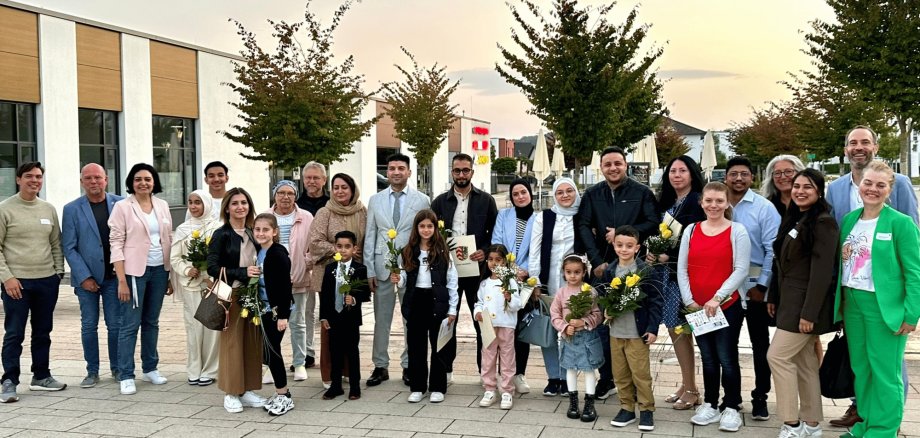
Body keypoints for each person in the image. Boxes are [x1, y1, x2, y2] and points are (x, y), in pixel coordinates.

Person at [826, 126, 918, 428]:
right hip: (852, 302)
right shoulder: (851, 219)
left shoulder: (901, 223)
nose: (872, 189)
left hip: (883, 305)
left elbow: (914, 270)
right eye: (868, 183)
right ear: (859, 186)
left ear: (890, 190)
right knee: (862, 368)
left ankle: (884, 429)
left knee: (885, 371)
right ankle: (864, 423)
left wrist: (912, 312)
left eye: (880, 185)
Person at [577, 146, 657, 399]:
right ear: (601, 167)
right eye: (608, 164)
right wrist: (597, 260)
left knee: (631, 326)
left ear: (626, 165)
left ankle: (634, 382)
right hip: (603, 270)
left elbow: (653, 223)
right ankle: (607, 378)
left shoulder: (642, 192)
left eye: (618, 163)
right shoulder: (592, 194)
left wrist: (624, 233)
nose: (613, 168)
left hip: (633, 270)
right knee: (600, 326)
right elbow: (583, 225)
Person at [766, 169, 839, 438]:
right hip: (788, 301)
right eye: (797, 186)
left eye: (807, 187)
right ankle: (811, 422)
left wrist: (809, 313)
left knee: (777, 357)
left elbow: (822, 273)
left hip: (805, 306)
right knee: (806, 361)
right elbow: (781, 262)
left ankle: (791, 423)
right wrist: (773, 295)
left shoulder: (823, 223)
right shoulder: (797, 217)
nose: (800, 191)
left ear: (819, 191)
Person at [678, 181, 750, 432]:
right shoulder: (691, 230)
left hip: (726, 305)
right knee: (707, 358)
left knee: (727, 357)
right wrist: (690, 301)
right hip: (698, 307)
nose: (714, 205)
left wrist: (718, 297)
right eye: (709, 200)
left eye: (719, 200)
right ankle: (710, 403)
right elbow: (682, 269)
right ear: (701, 202)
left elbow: (740, 269)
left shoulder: (737, 231)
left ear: (727, 202)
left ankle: (731, 406)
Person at [0, 162, 66, 403]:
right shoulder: (4, 209)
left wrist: (58, 272)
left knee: (42, 332)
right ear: (18, 180)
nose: (34, 180)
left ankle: (41, 376)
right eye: (29, 176)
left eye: (38, 177)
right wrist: (7, 278)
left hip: (46, 281)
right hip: (17, 283)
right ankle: (9, 381)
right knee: (14, 333)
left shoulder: (48, 209)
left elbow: (56, 243)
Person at [364, 153, 431, 387]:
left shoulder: (422, 200)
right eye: (391, 168)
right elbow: (370, 235)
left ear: (409, 172)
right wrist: (369, 269)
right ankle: (380, 365)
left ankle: (409, 364)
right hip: (382, 268)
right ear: (387, 172)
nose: (395, 172)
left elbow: (426, 234)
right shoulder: (375, 200)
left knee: (410, 319)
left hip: (411, 267)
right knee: (381, 319)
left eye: (401, 168)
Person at [432, 153, 498, 381]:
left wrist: (486, 250)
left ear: (472, 172)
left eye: (465, 170)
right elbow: (430, 234)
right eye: (457, 170)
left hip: (476, 271)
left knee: (482, 318)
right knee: (446, 318)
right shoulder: (439, 202)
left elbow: (495, 233)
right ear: (451, 172)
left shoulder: (486, 200)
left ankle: (485, 371)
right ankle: (445, 369)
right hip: (447, 271)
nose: (461, 174)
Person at [646, 155, 706, 410]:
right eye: (672, 171)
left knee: (679, 329)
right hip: (664, 274)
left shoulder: (697, 201)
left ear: (692, 174)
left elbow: (699, 237)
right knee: (674, 330)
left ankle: (692, 389)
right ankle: (685, 383)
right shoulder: (668, 202)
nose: (677, 175)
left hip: (682, 276)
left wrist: (667, 254)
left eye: (682, 170)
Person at [109, 163, 173, 396]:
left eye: (147, 179)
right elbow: (115, 242)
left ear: (154, 181)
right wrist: (122, 280)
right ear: (131, 183)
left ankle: (150, 367)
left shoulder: (162, 205)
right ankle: (126, 374)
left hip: (159, 270)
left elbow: (168, 237)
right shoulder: (122, 207)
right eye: (138, 179)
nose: (143, 183)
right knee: (129, 324)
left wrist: (170, 276)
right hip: (135, 272)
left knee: (152, 322)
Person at [725, 156, 780, 420]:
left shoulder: (764, 207)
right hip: (724, 288)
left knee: (760, 345)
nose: (738, 179)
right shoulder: (717, 204)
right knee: (727, 345)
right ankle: (731, 398)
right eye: (733, 173)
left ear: (752, 178)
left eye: (744, 174)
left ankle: (760, 397)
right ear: (725, 177)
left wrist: (762, 285)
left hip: (755, 286)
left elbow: (772, 250)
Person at [62, 163, 123, 388]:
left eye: (97, 177)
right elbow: (69, 246)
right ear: (82, 182)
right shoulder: (71, 209)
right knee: (89, 325)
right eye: (88, 178)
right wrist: (84, 276)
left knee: (115, 325)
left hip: (114, 277)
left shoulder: (121, 203)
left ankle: (117, 368)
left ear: (106, 179)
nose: (93, 182)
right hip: (86, 278)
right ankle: (92, 371)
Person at [207, 187, 266, 413]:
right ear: (227, 208)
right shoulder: (221, 234)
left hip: (253, 296)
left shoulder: (253, 232)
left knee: (251, 342)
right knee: (232, 343)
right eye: (235, 203)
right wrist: (243, 272)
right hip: (230, 294)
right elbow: (212, 267)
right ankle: (231, 392)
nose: (240, 207)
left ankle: (247, 389)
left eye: (244, 202)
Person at [393, 209, 459, 403]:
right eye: (422, 226)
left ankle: (438, 386)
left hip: (437, 301)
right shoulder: (408, 251)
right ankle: (418, 386)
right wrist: (398, 279)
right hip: (416, 301)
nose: (426, 230)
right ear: (416, 228)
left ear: (435, 228)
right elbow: (405, 278)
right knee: (416, 346)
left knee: (438, 345)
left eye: (430, 226)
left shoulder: (442, 251)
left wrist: (452, 309)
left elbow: (452, 281)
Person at [308, 173, 367, 389]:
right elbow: (314, 242)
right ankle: (330, 374)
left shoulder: (361, 211)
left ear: (352, 189)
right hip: (329, 275)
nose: (340, 191)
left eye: (344, 187)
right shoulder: (325, 212)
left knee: (350, 325)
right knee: (330, 326)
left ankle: (349, 371)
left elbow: (367, 238)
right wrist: (340, 250)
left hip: (353, 275)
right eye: (336, 187)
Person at [604, 226, 662, 432]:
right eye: (619, 245)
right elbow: (604, 296)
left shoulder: (645, 271)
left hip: (637, 333)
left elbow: (656, 301)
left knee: (640, 374)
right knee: (620, 374)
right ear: (614, 245)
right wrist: (606, 311)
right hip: (615, 332)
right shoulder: (610, 270)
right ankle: (626, 408)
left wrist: (653, 328)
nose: (624, 249)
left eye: (629, 246)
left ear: (638, 247)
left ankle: (646, 410)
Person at [529, 177, 582, 396]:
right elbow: (535, 249)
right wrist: (535, 281)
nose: (565, 195)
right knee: (549, 329)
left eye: (569, 191)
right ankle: (553, 377)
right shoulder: (544, 217)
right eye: (560, 192)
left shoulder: (582, 216)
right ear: (554, 196)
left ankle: (569, 376)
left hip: (574, 281)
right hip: (549, 277)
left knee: (572, 329)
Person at [169, 189, 220, 386]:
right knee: (194, 328)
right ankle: (194, 368)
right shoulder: (183, 229)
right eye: (190, 202)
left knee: (211, 328)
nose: (193, 206)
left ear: (206, 203)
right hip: (191, 285)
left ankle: (210, 369)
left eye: (198, 202)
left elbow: (221, 256)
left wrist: (210, 275)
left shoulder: (218, 227)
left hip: (212, 285)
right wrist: (187, 269)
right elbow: (175, 257)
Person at [264, 180, 313, 383]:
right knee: (270, 323)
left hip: (298, 278)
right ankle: (270, 364)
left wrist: (305, 264)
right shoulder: (265, 216)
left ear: (295, 196)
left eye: (290, 193)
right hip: (271, 281)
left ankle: (299, 362)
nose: (285, 197)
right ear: (274, 195)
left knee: (297, 322)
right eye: (281, 193)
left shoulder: (306, 217)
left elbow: (312, 245)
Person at [491, 178, 536, 394]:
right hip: (502, 277)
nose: (519, 196)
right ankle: (502, 373)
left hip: (525, 281)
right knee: (502, 327)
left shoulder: (539, 219)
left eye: (523, 192)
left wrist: (524, 270)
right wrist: (508, 270)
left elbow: (536, 250)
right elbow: (497, 243)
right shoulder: (503, 215)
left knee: (520, 329)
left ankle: (519, 374)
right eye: (515, 193)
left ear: (531, 193)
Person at [550, 254, 602, 423]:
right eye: (569, 272)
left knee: (588, 370)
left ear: (584, 272)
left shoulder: (590, 291)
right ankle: (573, 402)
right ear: (563, 273)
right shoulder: (561, 293)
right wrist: (565, 327)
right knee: (570, 368)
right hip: (569, 338)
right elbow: (554, 314)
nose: (573, 276)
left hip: (587, 337)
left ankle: (589, 403)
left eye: (577, 272)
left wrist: (583, 321)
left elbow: (597, 314)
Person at [319, 230, 370, 401]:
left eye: (347, 247)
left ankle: (355, 386)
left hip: (351, 319)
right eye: (339, 246)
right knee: (335, 351)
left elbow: (365, 294)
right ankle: (336, 386)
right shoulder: (330, 268)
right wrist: (323, 317)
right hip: (333, 317)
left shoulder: (360, 269)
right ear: (335, 247)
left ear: (354, 248)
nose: (343, 250)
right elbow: (325, 294)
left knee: (352, 351)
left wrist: (354, 299)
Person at [252, 213, 295, 416]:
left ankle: (284, 395)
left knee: (272, 351)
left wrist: (283, 316)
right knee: (267, 351)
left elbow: (285, 287)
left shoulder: (277, 254)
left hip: (277, 311)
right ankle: (281, 393)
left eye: (265, 229)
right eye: (257, 229)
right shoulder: (259, 251)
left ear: (275, 232)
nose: (261, 233)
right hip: (263, 310)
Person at [474, 244, 523, 410]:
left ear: (504, 262)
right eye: (490, 259)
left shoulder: (510, 281)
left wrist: (509, 298)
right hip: (488, 325)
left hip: (506, 325)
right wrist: (478, 312)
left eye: (498, 260)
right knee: (488, 357)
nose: (494, 263)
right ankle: (489, 388)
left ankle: (507, 390)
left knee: (507, 358)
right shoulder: (484, 284)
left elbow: (518, 304)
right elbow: (479, 302)